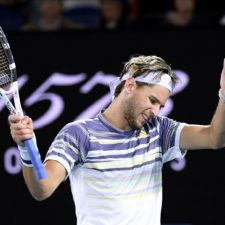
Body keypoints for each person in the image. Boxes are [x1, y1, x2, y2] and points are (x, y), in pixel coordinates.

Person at [9, 54, 225, 225]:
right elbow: (42, 189)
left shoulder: (160, 130)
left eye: (160, 105)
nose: (155, 111)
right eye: (152, 100)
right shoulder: (78, 134)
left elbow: (214, 138)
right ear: (130, 86)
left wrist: (224, 96)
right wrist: (27, 149)